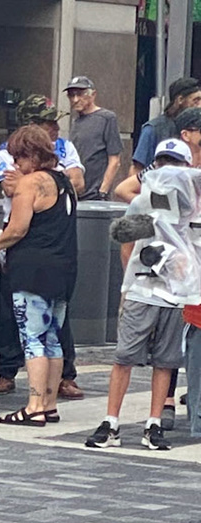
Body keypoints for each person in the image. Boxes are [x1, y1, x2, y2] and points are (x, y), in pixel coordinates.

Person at [0, 124, 78, 427]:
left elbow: (18, 228)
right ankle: (49, 404)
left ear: (31, 155)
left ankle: (34, 405)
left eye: (18, 158)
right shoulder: (64, 181)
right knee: (53, 339)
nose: (16, 166)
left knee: (33, 338)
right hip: (64, 267)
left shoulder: (30, 183)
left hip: (33, 269)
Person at [87, 169, 190, 452]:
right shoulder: (143, 203)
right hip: (143, 292)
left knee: (165, 361)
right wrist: (127, 287)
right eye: (164, 165)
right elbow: (127, 245)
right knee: (124, 356)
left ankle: (153, 423)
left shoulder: (192, 206)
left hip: (176, 296)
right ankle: (111, 422)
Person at [0, 97, 84, 196]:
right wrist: (61, 181)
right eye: (50, 123)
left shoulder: (65, 146)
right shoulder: (9, 150)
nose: (57, 128)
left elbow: (78, 185)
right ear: (33, 126)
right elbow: (11, 189)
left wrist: (24, 180)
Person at [64, 75, 125, 198]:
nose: (75, 99)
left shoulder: (107, 118)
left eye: (81, 94)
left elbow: (115, 160)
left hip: (95, 195)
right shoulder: (75, 122)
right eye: (71, 95)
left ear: (93, 94)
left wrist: (103, 190)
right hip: (76, 193)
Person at [132, 76, 201, 176]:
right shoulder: (154, 129)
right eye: (196, 100)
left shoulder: (197, 130)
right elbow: (137, 169)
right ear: (180, 99)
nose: (199, 105)